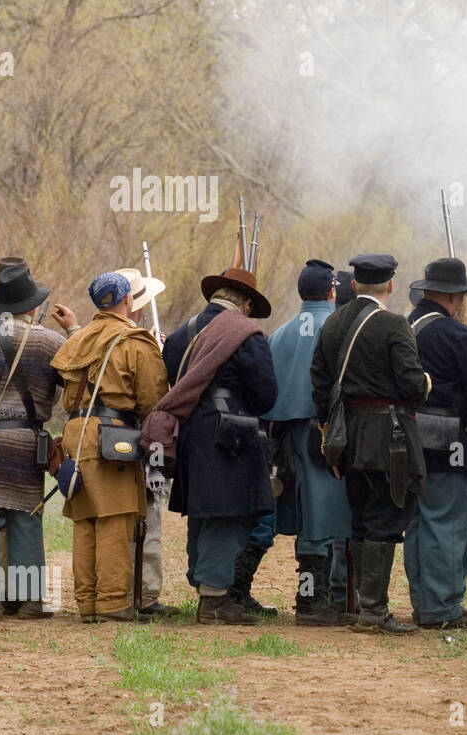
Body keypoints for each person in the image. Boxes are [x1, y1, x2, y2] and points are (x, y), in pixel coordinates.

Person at [145, 266, 278, 625]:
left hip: (189, 433)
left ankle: (207, 583)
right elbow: (266, 394)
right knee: (227, 515)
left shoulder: (178, 336)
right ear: (246, 305)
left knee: (204, 513)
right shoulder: (246, 333)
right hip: (229, 435)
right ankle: (215, 598)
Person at [311, 253, 430, 636]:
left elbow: (319, 383)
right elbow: (413, 384)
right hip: (389, 438)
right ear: (391, 285)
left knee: (362, 518)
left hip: (347, 438)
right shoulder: (394, 324)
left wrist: (329, 433)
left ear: (356, 284)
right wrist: (427, 381)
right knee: (385, 517)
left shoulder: (332, 323)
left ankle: (368, 608)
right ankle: (374, 613)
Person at [52, 271, 168, 622]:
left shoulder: (80, 338)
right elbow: (153, 401)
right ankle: (114, 604)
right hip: (112, 437)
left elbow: (66, 395)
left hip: (76, 432)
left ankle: (87, 603)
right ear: (128, 300)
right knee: (115, 521)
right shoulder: (134, 341)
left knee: (85, 518)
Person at [0, 265, 66, 618]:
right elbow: (82, 375)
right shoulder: (50, 341)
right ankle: (29, 599)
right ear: (32, 306)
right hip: (23, 440)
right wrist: (75, 330)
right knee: (25, 517)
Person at [257, 259, 354, 626]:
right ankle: (315, 602)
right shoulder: (338, 326)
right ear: (332, 291)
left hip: (287, 434)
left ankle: (310, 595)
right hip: (327, 433)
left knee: (306, 514)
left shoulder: (280, 332)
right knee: (326, 517)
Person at [405, 258, 467, 628]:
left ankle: (423, 601)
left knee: (419, 523)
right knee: (450, 524)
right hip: (451, 440)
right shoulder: (460, 336)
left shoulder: (403, 327)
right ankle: (441, 608)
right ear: (456, 296)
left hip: (407, 438)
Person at [113, 267, 178, 618]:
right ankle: (146, 592)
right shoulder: (139, 343)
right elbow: (154, 398)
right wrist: (158, 356)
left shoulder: (108, 335)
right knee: (149, 513)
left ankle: (123, 589)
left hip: (110, 438)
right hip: (139, 438)